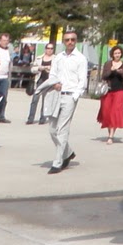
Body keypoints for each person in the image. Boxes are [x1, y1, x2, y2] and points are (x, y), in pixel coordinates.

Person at [46, 30, 87, 174]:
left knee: (62, 130)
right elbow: (53, 74)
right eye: (67, 40)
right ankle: (68, 152)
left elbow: (82, 80)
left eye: (73, 40)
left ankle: (58, 162)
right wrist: (54, 84)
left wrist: (75, 96)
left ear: (76, 41)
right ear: (63, 41)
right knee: (52, 129)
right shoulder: (58, 58)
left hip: (70, 96)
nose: (70, 42)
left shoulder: (80, 58)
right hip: (57, 95)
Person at [98, 46, 123, 143]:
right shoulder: (108, 64)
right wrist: (111, 70)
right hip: (108, 90)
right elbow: (104, 76)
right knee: (107, 112)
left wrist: (120, 73)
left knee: (115, 112)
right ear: (112, 54)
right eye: (115, 53)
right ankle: (110, 132)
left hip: (119, 91)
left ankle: (111, 136)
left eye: (119, 53)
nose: (117, 55)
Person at [26, 43, 55, 123]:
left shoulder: (56, 59)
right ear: (45, 49)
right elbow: (32, 69)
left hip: (49, 81)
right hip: (40, 80)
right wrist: (39, 68)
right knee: (35, 100)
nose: (49, 50)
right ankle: (30, 118)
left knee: (45, 101)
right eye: (48, 48)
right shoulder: (39, 58)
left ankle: (42, 118)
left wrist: (50, 69)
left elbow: (58, 70)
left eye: (51, 48)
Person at [0, 32, 14, 123]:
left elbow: (10, 63)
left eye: (7, 41)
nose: (5, 42)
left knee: (3, 98)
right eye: (3, 40)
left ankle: (1, 116)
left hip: (4, 77)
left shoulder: (9, 51)